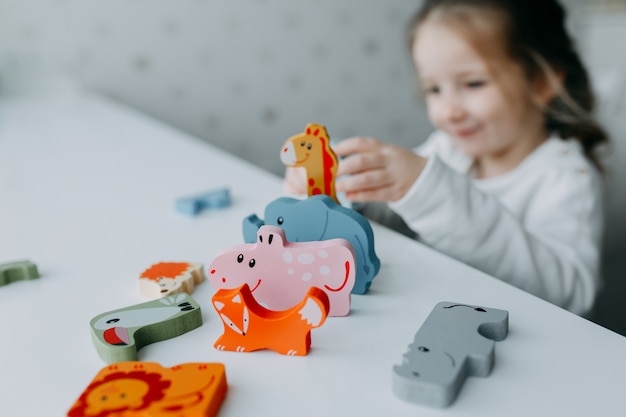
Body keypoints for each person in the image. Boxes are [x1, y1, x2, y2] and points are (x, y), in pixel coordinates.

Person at [284, 0, 610, 316]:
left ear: (541, 82)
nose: (449, 112)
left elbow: (570, 295)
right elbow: (396, 214)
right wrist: (347, 190)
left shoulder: (566, 177)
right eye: (434, 90)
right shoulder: (449, 148)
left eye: (473, 83)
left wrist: (427, 190)